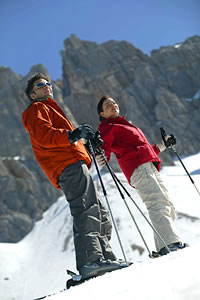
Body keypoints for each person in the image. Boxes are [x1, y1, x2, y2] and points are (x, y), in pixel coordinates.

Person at [22, 74, 126, 279]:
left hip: (75, 163)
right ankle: (90, 261)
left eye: (48, 83)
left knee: (100, 212)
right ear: (33, 94)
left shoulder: (51, 109)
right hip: (66, 165)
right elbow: (45, 135)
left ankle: (105, 258)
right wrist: (72, 135)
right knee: (86, 207)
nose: (47, 87)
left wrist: (86, 143)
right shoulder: (36, 109)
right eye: (40, 85)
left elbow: (66, 140)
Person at [96, 95, 188, 256]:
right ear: (102, 114)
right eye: (107, 104)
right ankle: (170, 244)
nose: (113, 105)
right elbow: (104, 147)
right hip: (138, 167)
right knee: (157, 202)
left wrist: (163, 145)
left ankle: (164, 246)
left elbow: (144, 148)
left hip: (147, 164)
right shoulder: (108, 127)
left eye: (114, 102)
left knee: (166, 203)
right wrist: (100, 155)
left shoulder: (123, 125)